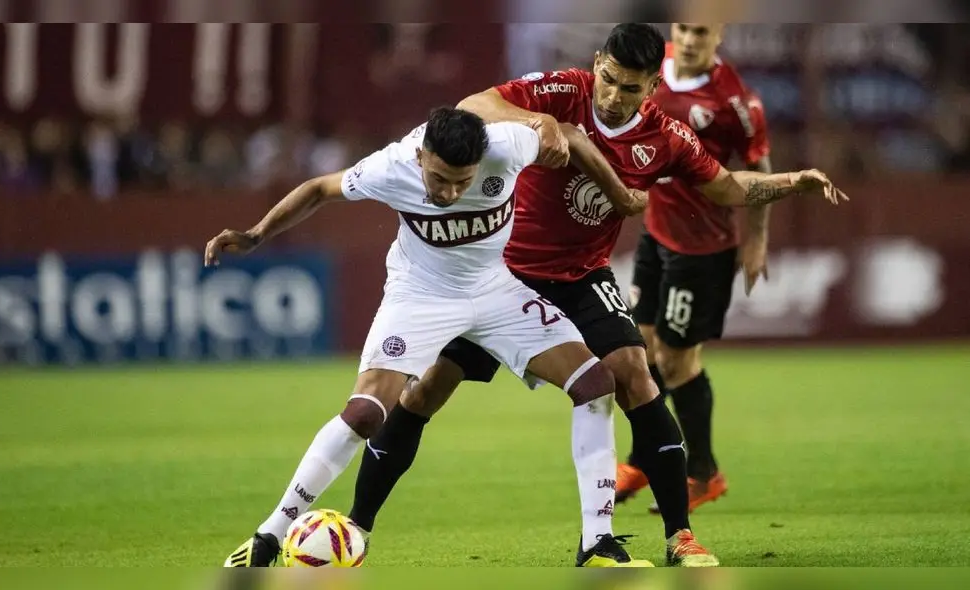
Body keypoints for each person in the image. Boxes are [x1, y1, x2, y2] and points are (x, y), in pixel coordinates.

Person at [346, 23, 847, 568]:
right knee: (424, 395)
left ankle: (680, 536)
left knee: (635, 372)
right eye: (607, 79)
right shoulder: (563, 90)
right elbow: (475, 105)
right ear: (597, 62)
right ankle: (356, 527)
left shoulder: (667, 138)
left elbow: (726, 186)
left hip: (583, 276)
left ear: (653, 87)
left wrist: (793, 180)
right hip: (499, 276)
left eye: (630, 88)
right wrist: (538, 120)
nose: (612, 96)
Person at [211, 106, 656, 568]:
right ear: (422, 156)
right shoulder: (391, 166)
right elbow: (319, 188)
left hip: (495, 288)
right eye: (440, 179)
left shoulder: (505, 147)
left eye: (463, 182)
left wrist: (620, 196)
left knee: (595, 382)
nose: (451, 193)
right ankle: (267, 537)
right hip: (420, 296)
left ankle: (597, 544)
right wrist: (257, 234)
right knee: (365, 412)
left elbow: (568, 134)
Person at [619, 23, 773, 514]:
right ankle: (644, 459)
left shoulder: (736, 103)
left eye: (701, 31)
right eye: (683, 28)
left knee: (677, 361)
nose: (688, 40)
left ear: (721, 31)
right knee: (640, 354)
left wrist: (757, 239)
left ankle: (703, 473)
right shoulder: (650, 66)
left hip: (702, 247)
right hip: (655, 230)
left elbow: (761, 172)